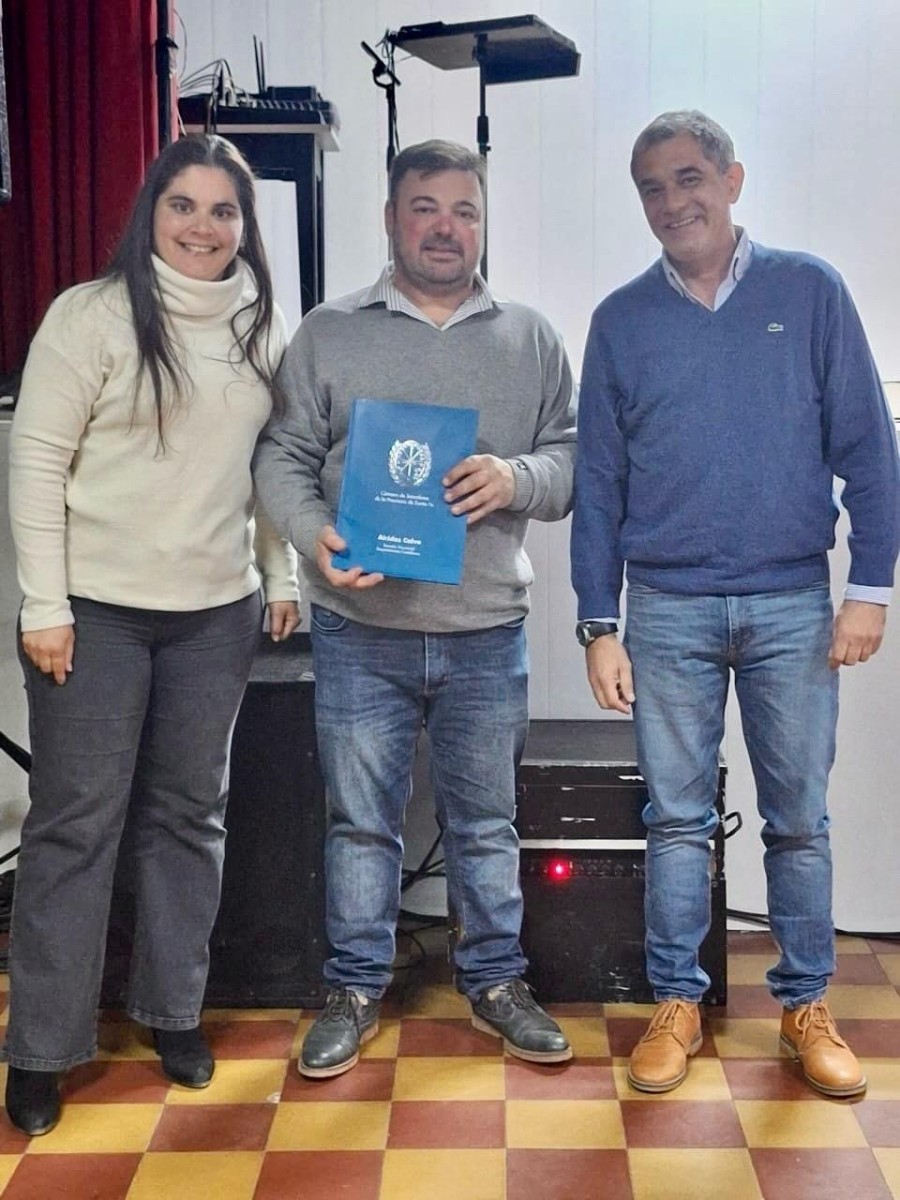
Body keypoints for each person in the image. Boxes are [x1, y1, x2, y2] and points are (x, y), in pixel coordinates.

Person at [571, 110, 900, 1099]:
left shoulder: (811, 293)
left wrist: (869, 590)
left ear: (732, 178)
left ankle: (805, 1006)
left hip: (794, 603)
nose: (673, 203)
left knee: (798, 821)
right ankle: (678, 1002)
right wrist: (599, 621)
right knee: (674, 820)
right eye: (652, 189)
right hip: (664, 608)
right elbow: (599, 481)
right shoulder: (621, 321)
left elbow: (870, 453)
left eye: (688, 179)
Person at [253, 139, 576, 1078]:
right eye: (425, 207)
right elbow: (280, 455)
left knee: (487, 821)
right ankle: (354, 986)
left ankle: (497, 983)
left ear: (483, 222)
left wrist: (515, 477)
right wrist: (317, 536)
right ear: (391, 219)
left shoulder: (529, 337)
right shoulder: (329, 331)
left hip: (485, 632)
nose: (446, 227)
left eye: (464, 210)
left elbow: (573, 463)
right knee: (361, 823)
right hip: (362, 632)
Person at [3, 134, 300, 1135]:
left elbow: (268, 463)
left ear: (244, 225)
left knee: (187, 820)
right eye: (185, 206)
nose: (205, 227)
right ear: (151, 212)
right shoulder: (86, 317)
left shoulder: (262, 322)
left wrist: (280, 570)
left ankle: (172, 1013)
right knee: (76, 825)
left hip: (213, 615)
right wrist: (44, 604)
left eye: (225, 210)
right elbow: (36, 466)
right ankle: (43, 1048)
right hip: (93, 612)